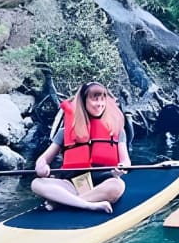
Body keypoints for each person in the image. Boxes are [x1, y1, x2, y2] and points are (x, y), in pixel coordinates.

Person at [31, 81, 131, 213]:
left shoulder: (117, 130)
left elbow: (126, 161)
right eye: (94, 100)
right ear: (84, 102)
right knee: (37, 183)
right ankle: (88, 205)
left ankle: (62, 202)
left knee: (118, 185)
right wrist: (41, 166)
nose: (100, 104)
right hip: (72, 184)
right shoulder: (65, 132)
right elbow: (44, 159)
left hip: (102, 183)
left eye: (103, 100)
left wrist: (122, 167)